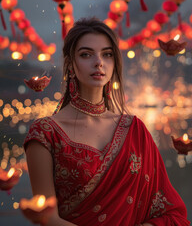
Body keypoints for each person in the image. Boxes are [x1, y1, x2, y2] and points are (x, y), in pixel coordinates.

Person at [23, 17, 190, 226]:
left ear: (114, 63)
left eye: (107, 54)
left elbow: (171, 212)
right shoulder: (45, 133)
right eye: (86, 54)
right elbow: (48, 218)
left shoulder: (135, 130)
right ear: (70, 65)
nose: (98, 62)